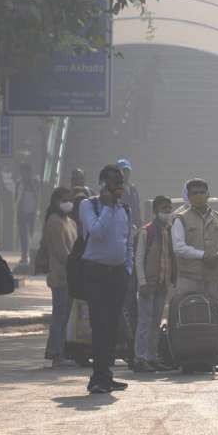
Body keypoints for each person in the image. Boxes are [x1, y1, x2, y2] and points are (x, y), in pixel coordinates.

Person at [171, 178, 218, 368]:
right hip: (188, 276)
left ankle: (217, 352)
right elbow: (178, 247)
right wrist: (203, 256)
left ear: (208, 194)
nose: (199, 196)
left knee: (215, 314)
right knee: (184, 313)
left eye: (202, 191)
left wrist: (217, 255)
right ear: (188, 196)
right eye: (194, 193)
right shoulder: (180, 218)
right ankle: (182, 354)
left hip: (212, 275)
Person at [79, 165, 134, 394]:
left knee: (112, 327)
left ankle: (107, 375)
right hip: (96, 273)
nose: (119, 186)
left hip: (118, 273)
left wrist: (128, 267)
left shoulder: (125, 209)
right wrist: (108, 207)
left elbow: (127, 241)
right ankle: (97, 377)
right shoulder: (88, 205)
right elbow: (97, 232)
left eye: (121, 181)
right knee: (99, 325)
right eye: (114, 182)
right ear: (103, 184)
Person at [132, 196, 177, 373]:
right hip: (148, 285)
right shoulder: (147, 232)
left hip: (162, 284)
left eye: (169, 209)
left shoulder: (170, 231)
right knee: (144, 322)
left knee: (156, 323)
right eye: (164, 209)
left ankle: (151, 357)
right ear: (155, 211)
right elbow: (139, 259)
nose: (167, 212)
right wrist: (142, 282)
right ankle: (139, 357)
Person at [42, 187, 78, 367]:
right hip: (60, 275)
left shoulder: (70, 221)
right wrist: (74, 263)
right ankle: (56, 353)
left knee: (65, 316)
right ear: (56, 201)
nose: (68, 203)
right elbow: (59, 250)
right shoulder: (54, 221)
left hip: (71, 275)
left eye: (69, 199)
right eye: (64, 199)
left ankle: (59, 350)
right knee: (59, 315)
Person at [15, 162, 39, 265]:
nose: (24, 175)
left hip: (33, 213)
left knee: (33, 234)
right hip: (21, 212)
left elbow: (38, 195)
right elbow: (16, 198)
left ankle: (33, 256)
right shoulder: (19, 183)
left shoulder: (35, 182)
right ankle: (24, 256)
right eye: (22, 172)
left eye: (26, 172)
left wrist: (31, 186)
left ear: (30, 172)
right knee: (23, 235)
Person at [117, 158, 142, 231]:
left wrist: (139, 223)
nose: (126, 174)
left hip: (134, 226)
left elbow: (137, 206)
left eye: (128, 171)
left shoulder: (133, 188)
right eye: (123, 171)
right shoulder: (115, 190)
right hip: (122, 226)